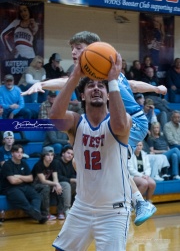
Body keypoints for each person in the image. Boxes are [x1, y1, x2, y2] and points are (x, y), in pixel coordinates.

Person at [20, 30, 167, 226]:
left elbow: (65, 82)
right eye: (72, 49)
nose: (73, 52)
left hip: (132, 121)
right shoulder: (108, 72)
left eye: (78, 48)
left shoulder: (97, 72)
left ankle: (138, 202)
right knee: (78, 162)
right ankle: (120, 200)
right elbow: (133, 85)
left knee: (110, 161)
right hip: (129, 120)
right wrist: (155, 88)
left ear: (93, 51)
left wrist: (43, 84)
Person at [51, 50, 132, 250]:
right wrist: (76, 76)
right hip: (82, 208)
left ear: (108, 94)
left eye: (101, 86)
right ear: (83, 95)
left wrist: (113, 81)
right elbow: (54, 119)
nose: (96, 89)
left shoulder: (119, 122)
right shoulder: (76, 122)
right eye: (90, 85)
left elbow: (121, 126)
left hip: (114, 211)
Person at [0, 144, 47, 224]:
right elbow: (12, 181)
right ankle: (39, 217)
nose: (20, 154)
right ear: (12, 153)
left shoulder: (23, 163)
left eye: (21, 152)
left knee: (36, 196)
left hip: (24, 186)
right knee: (24, 202)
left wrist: (19, 176)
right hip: (11, 189)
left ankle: (36, 213)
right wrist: (24, 179)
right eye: (17, 152)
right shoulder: (7, 165)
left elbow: (31, 178)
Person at [32, 146, 66, 221]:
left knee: (60, 186)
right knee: (46, 187)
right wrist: (54, 184)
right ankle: (46, 213)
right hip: (35, 185)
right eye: (48, 155)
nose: (50, 157)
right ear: (43, 156)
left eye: (52, 155)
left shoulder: (54, 163)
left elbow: (55, 177)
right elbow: (43, 180)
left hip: (46, 184)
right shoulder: (39, 165)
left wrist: (56, 184)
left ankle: (61, 212)